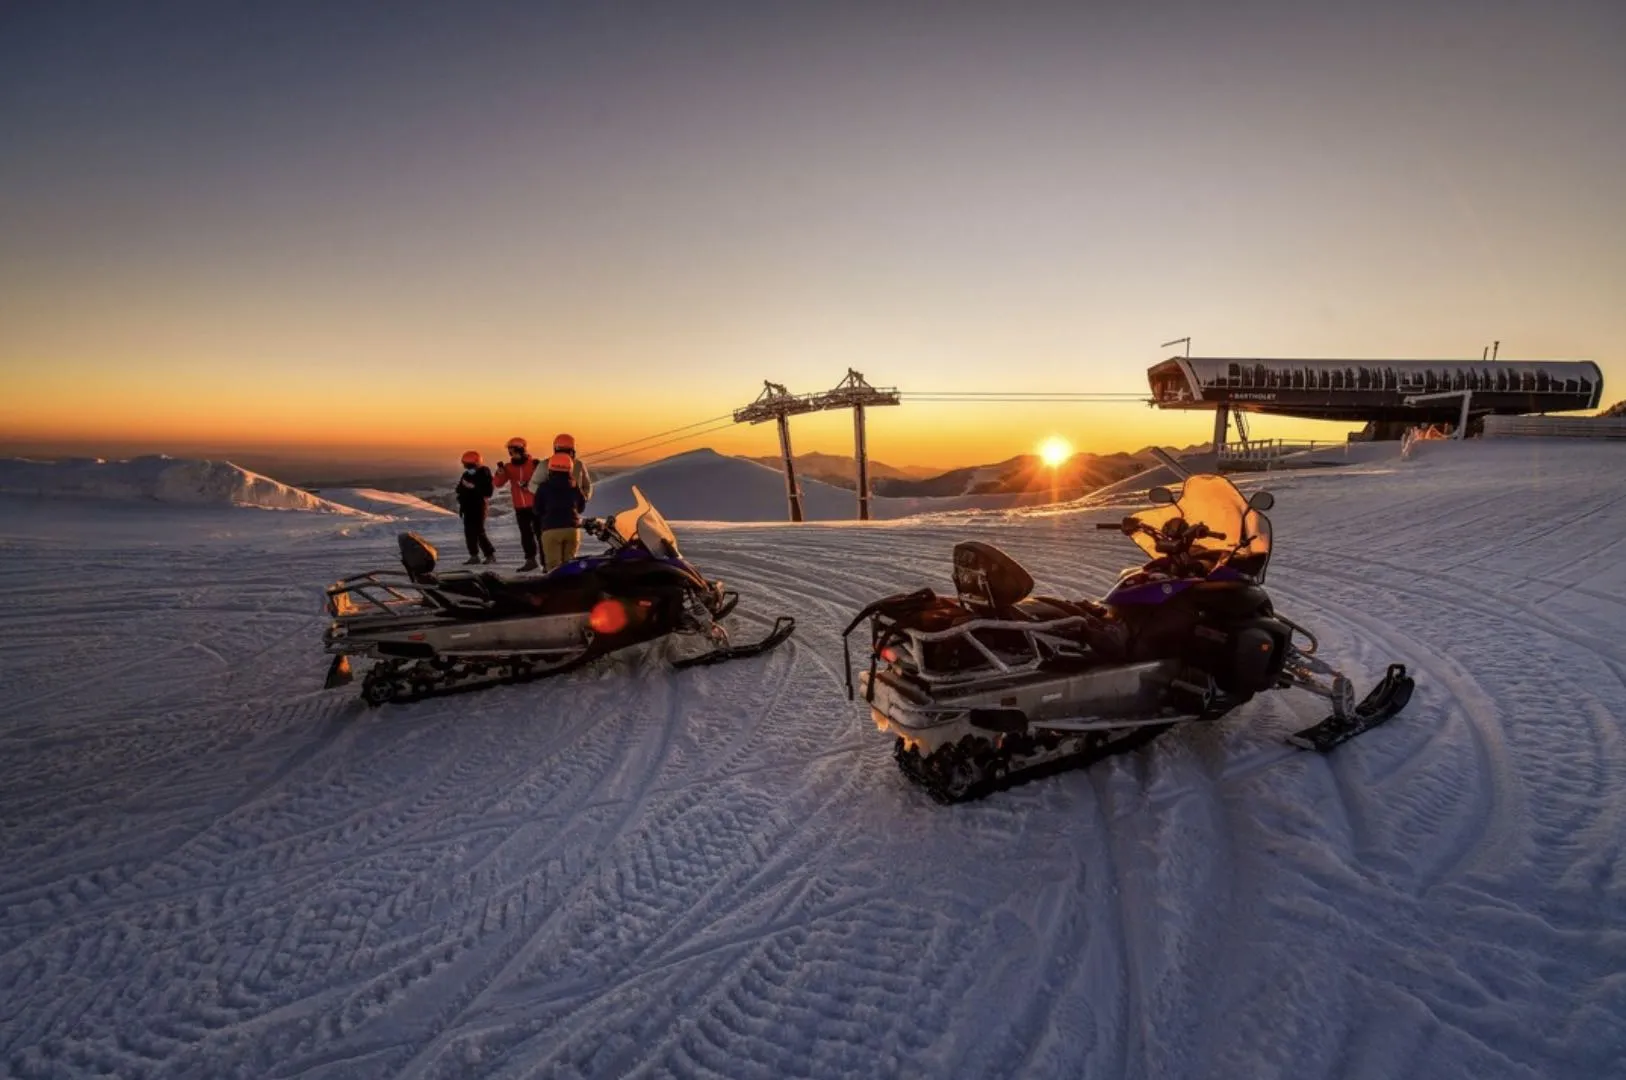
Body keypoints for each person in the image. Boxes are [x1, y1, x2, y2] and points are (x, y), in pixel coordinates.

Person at [491, 436, 542, 572]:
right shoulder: (508, 467)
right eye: (510, 451)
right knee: (526, 535)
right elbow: (498, 483)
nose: (511, 454)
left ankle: (546, 561)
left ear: (521, 450)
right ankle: (530, 560)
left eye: (513, 451)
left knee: (541, 533)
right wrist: (500, 474)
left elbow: (543, 481)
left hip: (536, 505)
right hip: (520, 506)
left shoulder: (535, 464)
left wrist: (529, 485)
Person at [538, 451, 587, 572]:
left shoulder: (544, 487)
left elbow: (537, 509)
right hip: (572, 529)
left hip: (551, 529)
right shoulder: (574, 486)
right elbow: (581, 507)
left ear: (550, 469)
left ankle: (556, 584)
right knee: (570, 566)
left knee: (554, 568)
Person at [454, 450, 498, 565]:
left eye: (469, 465)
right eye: (465, 465)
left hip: (479, 506)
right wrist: (462, 491)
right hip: (467, 507)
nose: (467, 467)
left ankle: (490, 555)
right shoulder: (466, 474)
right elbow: (459, 488)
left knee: (479, 531)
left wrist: (473, 487)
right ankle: (474, 556)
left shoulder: (484, 473)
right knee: (469, 532)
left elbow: (488, 492)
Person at [552, 433, 593, 501]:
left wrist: (583, 498)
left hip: (571, 504)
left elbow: (587, 486)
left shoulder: (578, 465)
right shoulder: (547, 464)